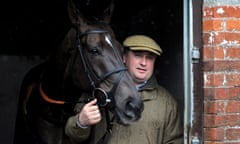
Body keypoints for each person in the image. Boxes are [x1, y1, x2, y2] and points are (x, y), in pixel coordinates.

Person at [65, 35, 183, 144]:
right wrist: (81, 122)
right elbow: (73, 137)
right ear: (124, 58)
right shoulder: (99, 93)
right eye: (138, 55)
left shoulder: (167, 103)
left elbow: (175, 141)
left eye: (150, 58)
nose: (143, 63)